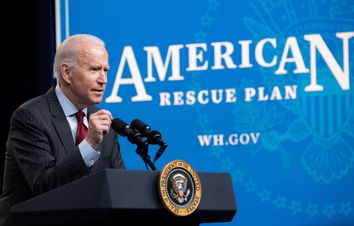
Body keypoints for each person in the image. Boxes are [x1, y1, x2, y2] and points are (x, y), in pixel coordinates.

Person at [0, 34, 125, 226]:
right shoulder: (30, 116)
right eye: (94, 70)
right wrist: (89, 145)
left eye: (106, 71)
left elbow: (118, 187)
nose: (103, 79)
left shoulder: (103, 120)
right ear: (66, 73)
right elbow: (44, 187)